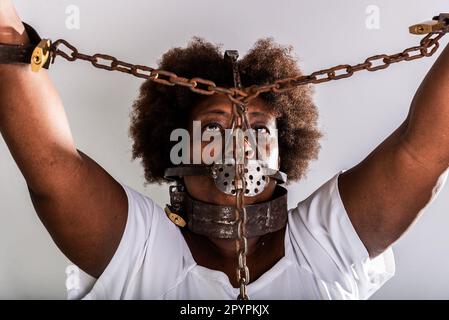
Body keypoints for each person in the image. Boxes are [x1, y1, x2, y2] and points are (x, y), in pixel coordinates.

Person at [0, 0, 448, 300]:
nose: (241, 144)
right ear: (178, 150)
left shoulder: (323, 245)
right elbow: (54, 166)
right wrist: (9, 36)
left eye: (258, 127)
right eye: (214, 126)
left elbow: (421, 153)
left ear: (282, 153)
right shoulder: (143, 251)